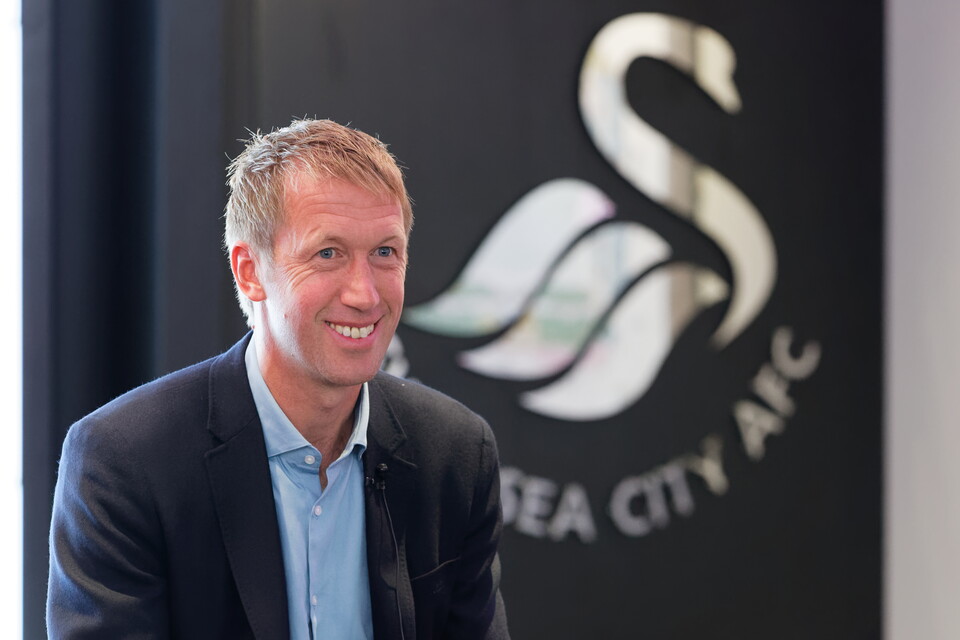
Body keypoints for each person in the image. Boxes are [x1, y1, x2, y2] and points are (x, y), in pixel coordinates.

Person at [47, 119, 509, 639]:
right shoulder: (125, 461)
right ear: (249, 271)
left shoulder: (456, 454)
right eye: (328, 253)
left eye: (385, 252)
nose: (365, 294)